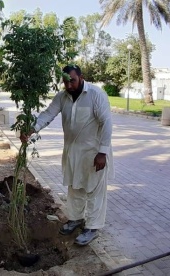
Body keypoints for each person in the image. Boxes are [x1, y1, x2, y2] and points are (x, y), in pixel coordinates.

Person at [20, 65, 113, 246]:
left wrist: (102, 152)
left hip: (94, 152)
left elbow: (107, 123)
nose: (69, 85)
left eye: (73, 80)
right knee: (74, 185)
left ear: (81, 77)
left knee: (94, 190)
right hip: (72, 151)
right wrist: (32, 129)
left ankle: (92, 228)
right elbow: (48, 114)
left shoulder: (96, 94)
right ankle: (75, 219)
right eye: (65, 82)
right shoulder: (62, 97)